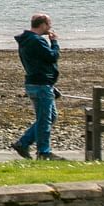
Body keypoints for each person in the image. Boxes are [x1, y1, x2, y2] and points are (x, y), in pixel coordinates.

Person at [12, 12, 63, 160]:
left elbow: (38, 64)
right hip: (40, 85)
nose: (51, 27)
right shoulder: (36, 41)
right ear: (42, 25)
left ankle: (24, 143)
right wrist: (54, 43)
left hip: (38, 83)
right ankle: (43, 152)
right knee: (44, 119)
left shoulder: (26, 40)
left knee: (50, 117)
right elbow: (52, 56)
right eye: (49, 24)